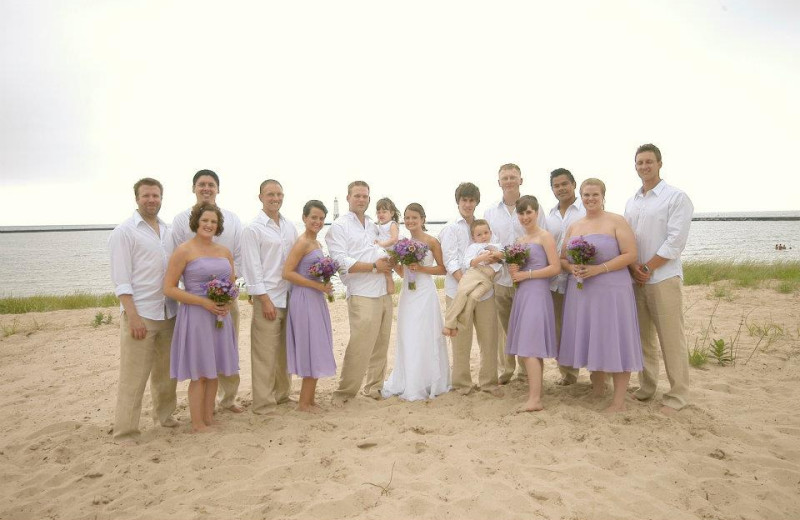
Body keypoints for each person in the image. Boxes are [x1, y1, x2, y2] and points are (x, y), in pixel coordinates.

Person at [558, 179, 642, 413]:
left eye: (595, 194)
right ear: (581, 197)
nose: (590, 199)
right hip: (583, 292)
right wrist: (571, 268)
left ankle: (619, 401)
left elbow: (630, 254)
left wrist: (599, 269)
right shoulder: (575, 226)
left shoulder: (616, 221)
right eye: (586, 195)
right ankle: (597, 389)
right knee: (593, 336)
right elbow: (563, 258)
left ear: (603, 196)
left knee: (615, 338)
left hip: (612, 290)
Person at [625, 143, 694, 414]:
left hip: (663, 277)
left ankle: (678, 395)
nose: (644, 166)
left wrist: (648, 267)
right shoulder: (632, 201)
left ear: (660, 164)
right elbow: (628, 239)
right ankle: (646, 387)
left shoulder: (676, 197)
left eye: (649, 162)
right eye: (640, 162)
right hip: (637, 279)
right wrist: (634, 269)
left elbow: (675, 241)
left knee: (670, 338)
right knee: (643, 338)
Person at [108, 178, 179, 439]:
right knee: (133, 377)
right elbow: (121, 280)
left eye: (156, 196)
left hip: (169, 312)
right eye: (146, 195)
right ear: (136, 198)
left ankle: (165, 416)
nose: (152, 200)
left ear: (162, 198)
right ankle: (125, 431)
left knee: (166, 374)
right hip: (141, 315)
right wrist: (132, 315)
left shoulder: (168, 231)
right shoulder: (124, 232)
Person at [171, 169, 244, 413]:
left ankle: (225, 402)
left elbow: (236, 268)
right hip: (196, 309)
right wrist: (202, 301)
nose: (206, 188)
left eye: (211, 184)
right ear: (194, 188)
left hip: (223, 307)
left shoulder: (231, 228)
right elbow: (171, 280)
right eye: (202, 184)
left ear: (218, 188)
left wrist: (227, 297)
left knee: (220, 362)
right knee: (201, 368)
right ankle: (198, 417)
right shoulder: (181, 230)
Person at [164, 204, 239, 432]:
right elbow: (169, 288)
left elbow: (232, 284)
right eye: (205, 220)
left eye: (213, 222)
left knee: (214, 369)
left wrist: (225, 301)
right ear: (197, 221)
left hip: (219, 316)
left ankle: (209, 418)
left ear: (218, 226)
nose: (209, 225)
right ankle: (197, 423)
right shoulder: (184, 250)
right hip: (195, 315)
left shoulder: (224, 252)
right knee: (200, 373)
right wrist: (203, 302)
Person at [325, 181, 394, 406]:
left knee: (381, 343)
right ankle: (345, 392)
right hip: (361, 291)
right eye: (357, 196)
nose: (361, 200)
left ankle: (374, 387)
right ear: (347, 198)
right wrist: (374, 267)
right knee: (360, 343)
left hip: (383, 289)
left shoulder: (374, 225)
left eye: (365, 196)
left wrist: (391, 260)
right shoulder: (339, 226)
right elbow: (340, 261)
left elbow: (384, 246)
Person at [484, 164, 546, 384]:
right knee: (507, 327)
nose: (509, 181)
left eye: (513, 177)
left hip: (529, 279)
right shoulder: (490, 212)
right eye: (505, 178)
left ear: (521, 180)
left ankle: (526, 372)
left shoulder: (533, 207)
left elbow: (543, 239)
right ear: (498, 182)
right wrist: (499, 256)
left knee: (528, 326)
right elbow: (488, 243)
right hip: (502, 277)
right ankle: (507, 369)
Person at [382, 203, 451, 401]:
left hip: (426, 292)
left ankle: (429, 380)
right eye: (407, 218)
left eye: (414, 217)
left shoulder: (431, 241)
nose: (410, 221)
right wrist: (395, 265)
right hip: (408, 293)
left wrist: (421, 269)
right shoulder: (403, 244)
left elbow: (442, 269)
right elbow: (404, 273)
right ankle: (409, 380)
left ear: (423, 219)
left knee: (426, 333)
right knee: (409, 334)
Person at [241, 179, 298, 414]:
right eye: (270, 194)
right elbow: (252, 268)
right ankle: (263, 402)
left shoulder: (289, 226)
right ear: (260, 197)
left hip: (290, 296)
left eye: (279, 194)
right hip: (269, 298)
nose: (275, 198)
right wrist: (263, 298)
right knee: (265, 353)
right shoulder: (253, 228)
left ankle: (282, 394)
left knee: (284, 351)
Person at [440, 182, 500, 396]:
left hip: (485, 292)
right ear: (458, 202)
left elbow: (495, 253)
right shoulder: (450, 228)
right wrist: (467, 282)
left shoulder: (484, 226)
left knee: (489, 338)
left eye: (471, 200)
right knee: (461, 340)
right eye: (464, 200)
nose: (468, 204)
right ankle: (462, 384)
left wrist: (484, 280)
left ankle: (489, 383)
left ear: (476, 202)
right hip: (458, 290)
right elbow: (451, 261)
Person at [505, 195, 561, 411]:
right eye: (521, 213)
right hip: (523, 294)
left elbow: (555, 268)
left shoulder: (545, 236)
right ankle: (535, 396)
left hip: (537, 293)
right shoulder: (519, 242)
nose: (525, 217)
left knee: (530, 347)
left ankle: (535, 399)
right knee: (529, 347)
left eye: (529, 212)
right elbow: (516, 272)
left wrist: (526, 275)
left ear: (537, 213)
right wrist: (514, 272)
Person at [282, 200, 336, 413]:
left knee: (317, 344)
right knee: (310, 346)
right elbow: (287, 273)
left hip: (315, 297)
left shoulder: (317, 243)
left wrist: (324, 283)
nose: (317, 221)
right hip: (304, 298)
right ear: (304, 218)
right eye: (313, 217)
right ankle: (304, 403)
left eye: (321, 218)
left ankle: (310, 400)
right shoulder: (303, 242)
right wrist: (316, 285)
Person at [544, 168, 586, 385]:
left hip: (581, 279)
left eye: (564, 184)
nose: (561, 188)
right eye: (556, 185)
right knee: (561, 328)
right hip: (554, 280)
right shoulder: (548, 216)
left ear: (573, 184)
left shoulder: (584, 210)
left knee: (583, 325)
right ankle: (568, 374)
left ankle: (599, 373)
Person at [442, 219, 502, 337]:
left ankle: (459, 325)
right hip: (475, 273)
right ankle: (449, 324)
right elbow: (469, 263)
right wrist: (483, 257)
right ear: (473, 237)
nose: (483, 236)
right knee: (463, 292)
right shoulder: (474, 247)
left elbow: (503, 258)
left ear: (490, 232)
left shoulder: (497, 245)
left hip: (488, 279)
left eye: (486, 233)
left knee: (474, 297)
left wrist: (497, 255)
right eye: (479, 235)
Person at [374, 197, 401, 295]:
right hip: (383, 249)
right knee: (385, 271)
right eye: (378, 212)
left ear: (392, 213)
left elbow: (394, 239)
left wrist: (381, 244)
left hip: (389, 250)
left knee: (388, 273)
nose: (381, 214)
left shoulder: (392, 224)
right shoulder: (379, 225)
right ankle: (384, 289)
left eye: (384, 212)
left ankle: (391, 290)